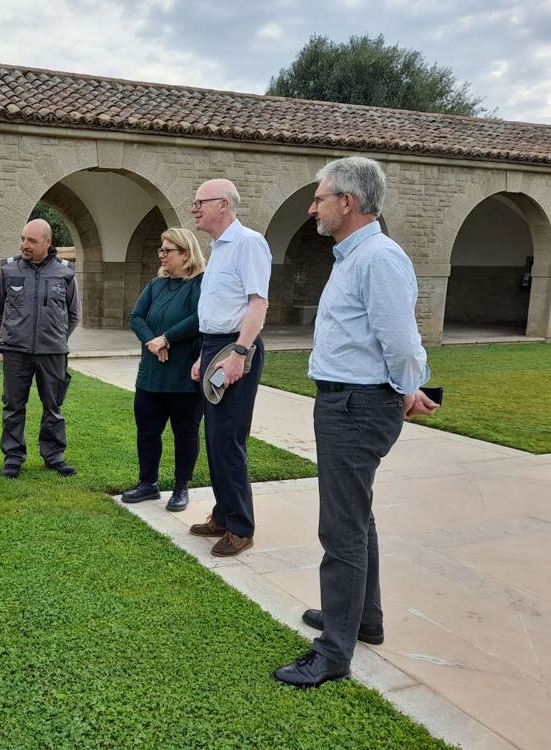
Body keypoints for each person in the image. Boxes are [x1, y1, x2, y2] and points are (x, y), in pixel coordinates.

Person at [272, 156, 440, 688]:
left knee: (340, 528)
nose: (312, 206)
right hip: (347, 401)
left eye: (320, 197)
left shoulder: (378, 259)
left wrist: (408, 387)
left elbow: (401, 341)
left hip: (356, 406)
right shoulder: (354, 256)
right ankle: (361, 619)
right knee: (356, 518)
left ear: (347, 202)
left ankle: (333, 651)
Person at [187, 179, 272, 557]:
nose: (194, 209)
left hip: (235, 348)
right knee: (215, 438)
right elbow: (217, 308)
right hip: (213, 347)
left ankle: (240, 527)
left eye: (199, 202)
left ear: (223, 204)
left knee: (229, 439)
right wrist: (202, 357)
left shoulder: (248, 243)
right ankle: (223, 515)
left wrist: (239, 352)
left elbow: (257, 304)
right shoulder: (218, 248)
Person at [122, 228, 206, 512]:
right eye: (161, 249)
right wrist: (152, 341)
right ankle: (148, 484)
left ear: (186, 254)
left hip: (185, 377)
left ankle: (181, 487)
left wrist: (167, 337)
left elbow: (200, 318)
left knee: (185, 433)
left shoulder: (200, 284)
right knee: (147, 431)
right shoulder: (156, 285)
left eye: (167, 250)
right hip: (151, 376)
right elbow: (136, 317)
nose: (162, 255)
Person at [0, 218, 81, 478]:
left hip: (52, 352)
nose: (25, 245)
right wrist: (13, 333)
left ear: (47, 242)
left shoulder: (65, 273)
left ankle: (54, 455)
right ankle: (13, 458)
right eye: (23, 239)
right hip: (15, 352)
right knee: (13, 406)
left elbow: (74, 314)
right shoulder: (9, 271)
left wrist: (55, 337)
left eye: (31, 240)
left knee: (53, 406)